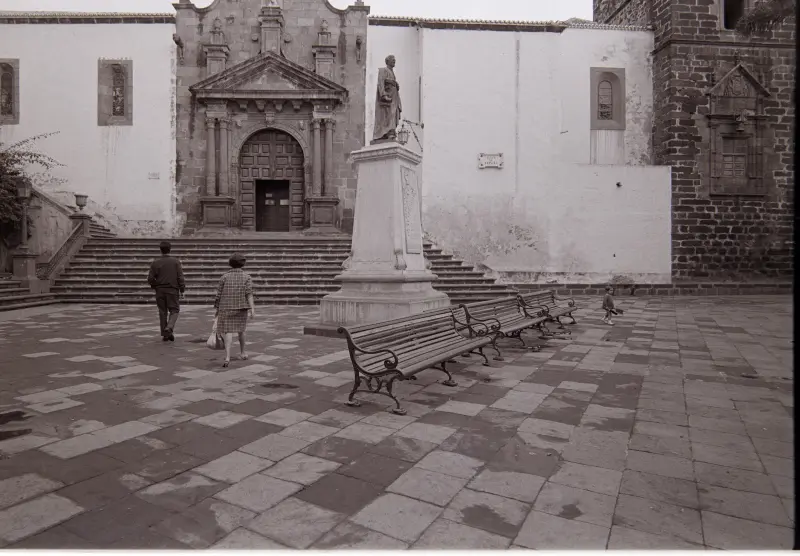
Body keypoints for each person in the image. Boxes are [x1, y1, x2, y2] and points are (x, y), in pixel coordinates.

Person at [214, 252, 256, 367]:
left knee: (228, 332)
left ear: (230, 264)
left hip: (225, 307)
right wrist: (252, 308)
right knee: (241, 330)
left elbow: (218, 295)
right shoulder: (247, 277)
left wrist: (217, 309)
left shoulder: (224, 277)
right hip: (241, 308)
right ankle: (243, 352)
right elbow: (249, 294)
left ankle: (227, 357)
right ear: (243, 264)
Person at [147, 240, 185, 341]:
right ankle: (169, 327)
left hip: (160, 290)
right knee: (174, 310)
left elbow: (150, 279)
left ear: (160, 250)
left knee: (162, 312)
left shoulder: (155, 263)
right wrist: (182, 289)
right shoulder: (176, 262)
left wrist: (156, 286)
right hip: (172, 289)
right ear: (170, 249)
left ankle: (165, 334)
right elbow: (180, 277)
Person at [372, 54, 402, 142]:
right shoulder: (383, 70)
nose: (394, 61)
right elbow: (380, 82)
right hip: (388, 96)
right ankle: (388, 132)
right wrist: (383, 95)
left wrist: (395, 85)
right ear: (387, 61)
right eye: (392, 59)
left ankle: (391, 131)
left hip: (394, 96)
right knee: (388, 114)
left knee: (393, 114)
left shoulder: (392, 72)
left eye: (395, 59)